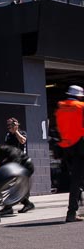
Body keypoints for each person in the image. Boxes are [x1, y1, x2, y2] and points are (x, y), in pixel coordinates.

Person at [55, 85, 84, 222]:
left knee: (76, 180)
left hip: (67, 147)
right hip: (81, 146)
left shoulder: (60, 108)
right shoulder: (81, 106)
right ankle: (71, 212)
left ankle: (73, 212)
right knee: (77, 181)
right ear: (79, 96)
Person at [0, 117, 34, 214]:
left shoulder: (22, 133)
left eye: (11, 125)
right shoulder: (8, 135)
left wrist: (16, 131)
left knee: (14, 185)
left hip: (22, 163)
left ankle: (10, 206)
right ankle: (22, 204)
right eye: (8, 125)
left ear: (16, 125)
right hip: (12, 163)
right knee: (11, 185)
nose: (9, 127)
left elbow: (23, 141)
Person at [0, 144, 35, 215]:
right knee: (14, 188)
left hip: (26, 166)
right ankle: (27, 204)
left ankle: (8, 208)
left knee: (14, 187)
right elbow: (1, 166)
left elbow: (16, 162)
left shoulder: (9, 150)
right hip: (19, 167)